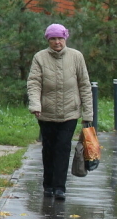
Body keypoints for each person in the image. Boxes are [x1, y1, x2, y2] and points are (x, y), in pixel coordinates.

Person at [27, 23, 93, 201]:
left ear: (65, 39)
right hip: (46, 113)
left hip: (69, 113)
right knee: (49, 149)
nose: (57, 42)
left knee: (63, 148)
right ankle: (48, 185)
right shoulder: (40, 57)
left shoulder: (76, 57)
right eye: (53, 39)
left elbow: (84, 85)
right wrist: (35, 104)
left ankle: (59, 187)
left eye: (60, 38)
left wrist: (88, 114)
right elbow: (34, 83)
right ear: (48, 40)